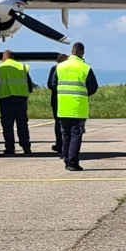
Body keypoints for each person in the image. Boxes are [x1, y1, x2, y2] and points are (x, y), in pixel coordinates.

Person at [48, 42, 98, 171]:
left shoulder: (59, 67)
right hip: (78, 107)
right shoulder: (85, 68)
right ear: (82, 52)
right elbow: (93, 87)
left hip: (63, 107)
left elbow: (53, 84)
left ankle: (66, 159)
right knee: (76, 135)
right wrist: (82, 94)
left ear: (72, 51)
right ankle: (72, 162)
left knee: (65, 135)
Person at [0, 50, 36, 155]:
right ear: (13, 58)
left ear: (3, 58)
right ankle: (26, 147)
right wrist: (25, 95)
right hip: (21, 100)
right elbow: (29, 85)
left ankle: (10, 148)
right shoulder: (22, 67)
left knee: (7, 126)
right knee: (23, 125)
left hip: (6, 101)